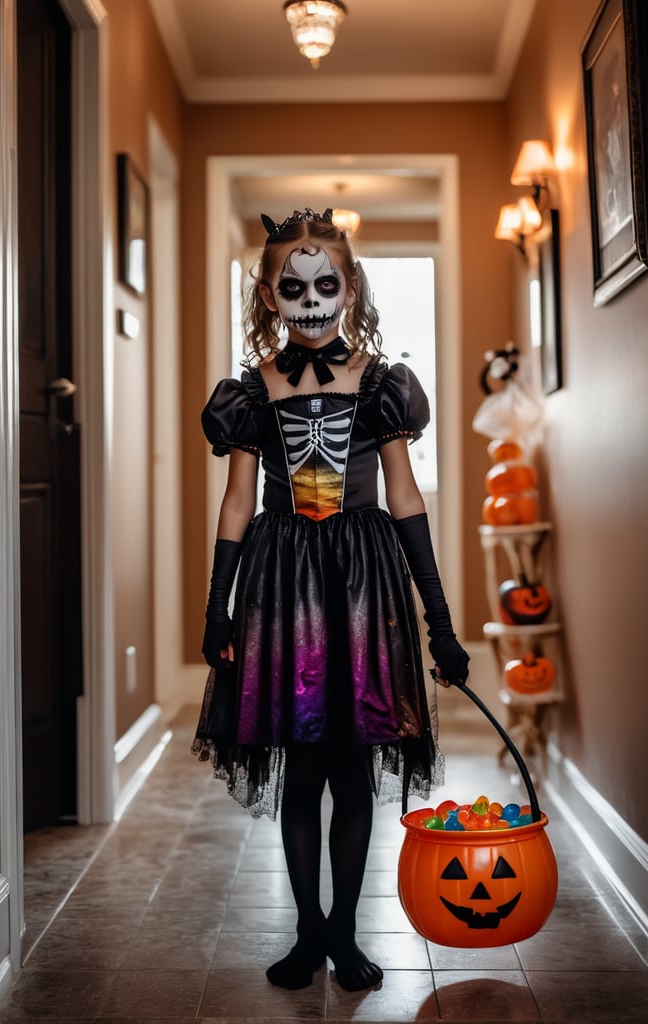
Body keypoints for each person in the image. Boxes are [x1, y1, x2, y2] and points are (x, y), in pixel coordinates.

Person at [192, 207, 469, 992]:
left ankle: (345, 934)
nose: (309, 297)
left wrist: (438, 620)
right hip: (282, 585)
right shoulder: (249, 392)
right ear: (268, 295)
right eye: (292, 285)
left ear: (349, 287)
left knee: (352, 765)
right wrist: (220, 603)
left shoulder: (382, 385)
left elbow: (406, 496)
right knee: (300, 765)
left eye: (325, 283)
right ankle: (306, 934)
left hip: (362, 581)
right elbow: (237, 502)